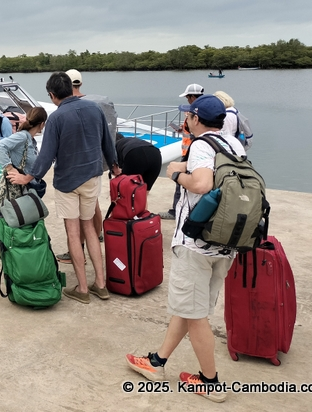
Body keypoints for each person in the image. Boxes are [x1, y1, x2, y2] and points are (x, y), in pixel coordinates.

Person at [125, 95, 244, 403]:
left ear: (195, 118)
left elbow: (202, 183)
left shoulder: (203, 146)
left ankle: (210, 382)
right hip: (225, 242)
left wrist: (176, 173)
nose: (185, 120)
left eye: (188, 115)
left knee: (195, 314)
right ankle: (157, 362)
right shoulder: (234, 145)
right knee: (191, 308)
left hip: (197, 244)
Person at [7, 72, 120, 304]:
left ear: (52, 94)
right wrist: (115, 166)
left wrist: (29, 177)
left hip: (68, 181)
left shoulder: (56, 118)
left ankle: (82, 289)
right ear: (71, 87)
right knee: (89, 228)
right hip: (92, 176)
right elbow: (107, 142)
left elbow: (47, 155)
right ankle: (100, 284)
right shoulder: (95, 109)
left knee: (72, 232)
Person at [54, 69, 116, 264]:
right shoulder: (94, 104)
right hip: (96, 164)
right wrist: (114, 164)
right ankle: (96, 240)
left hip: (74, 171)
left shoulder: (62, 110)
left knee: (76, 223)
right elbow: (107, 139)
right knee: (92, 210)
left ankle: (78, 253)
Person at [161, 84, 204, 220]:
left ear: (192, 97)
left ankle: (175, 211)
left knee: (180, 181)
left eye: (187, 97)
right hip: (189, 153)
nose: (187, 100)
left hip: (190, 154)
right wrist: (183, 129)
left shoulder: (196, 112)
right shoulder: (202, 111)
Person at [0, 107, 46, 208]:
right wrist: (10, 168)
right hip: (20, 191)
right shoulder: (22, 137)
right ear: (42, 124)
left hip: (28, 188)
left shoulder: (30, 139)